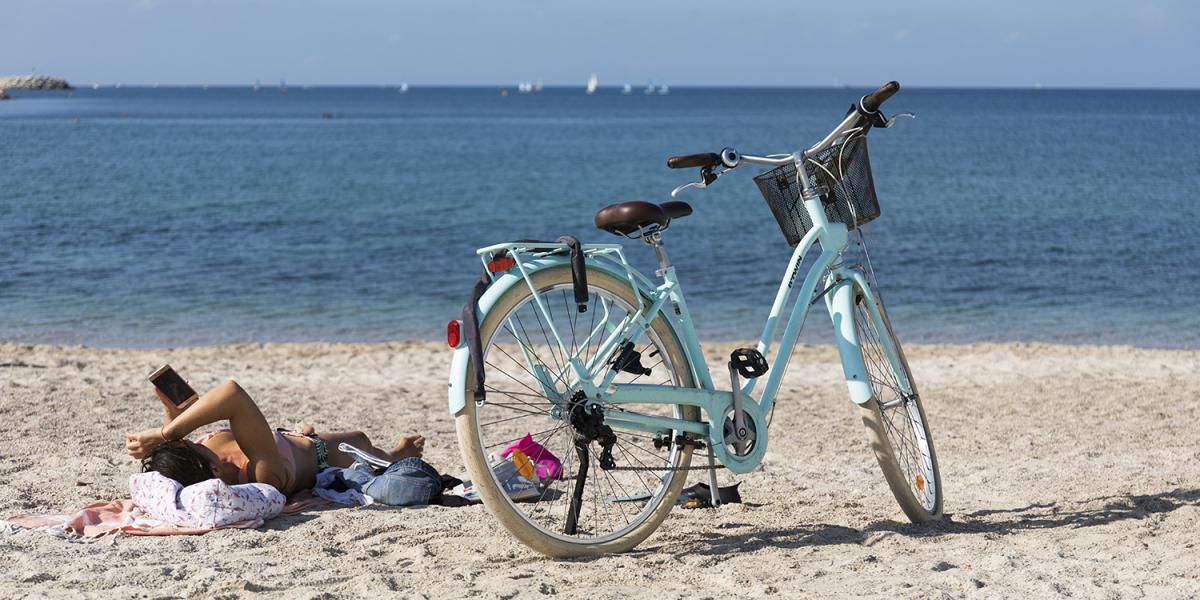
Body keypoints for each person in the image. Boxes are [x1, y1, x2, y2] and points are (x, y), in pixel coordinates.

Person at [125, 379, 425, 497]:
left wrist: (171, 412)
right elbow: (232, 393)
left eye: (183, 439)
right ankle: (398, 455)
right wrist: (165, 432)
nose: (187, 439)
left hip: (283, 437)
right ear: (214, 471)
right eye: (187, 445)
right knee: (363, 441)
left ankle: (301, 433)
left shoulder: (201, 459)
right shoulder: (260, 475)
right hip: (323, 455)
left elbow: (177, 447)